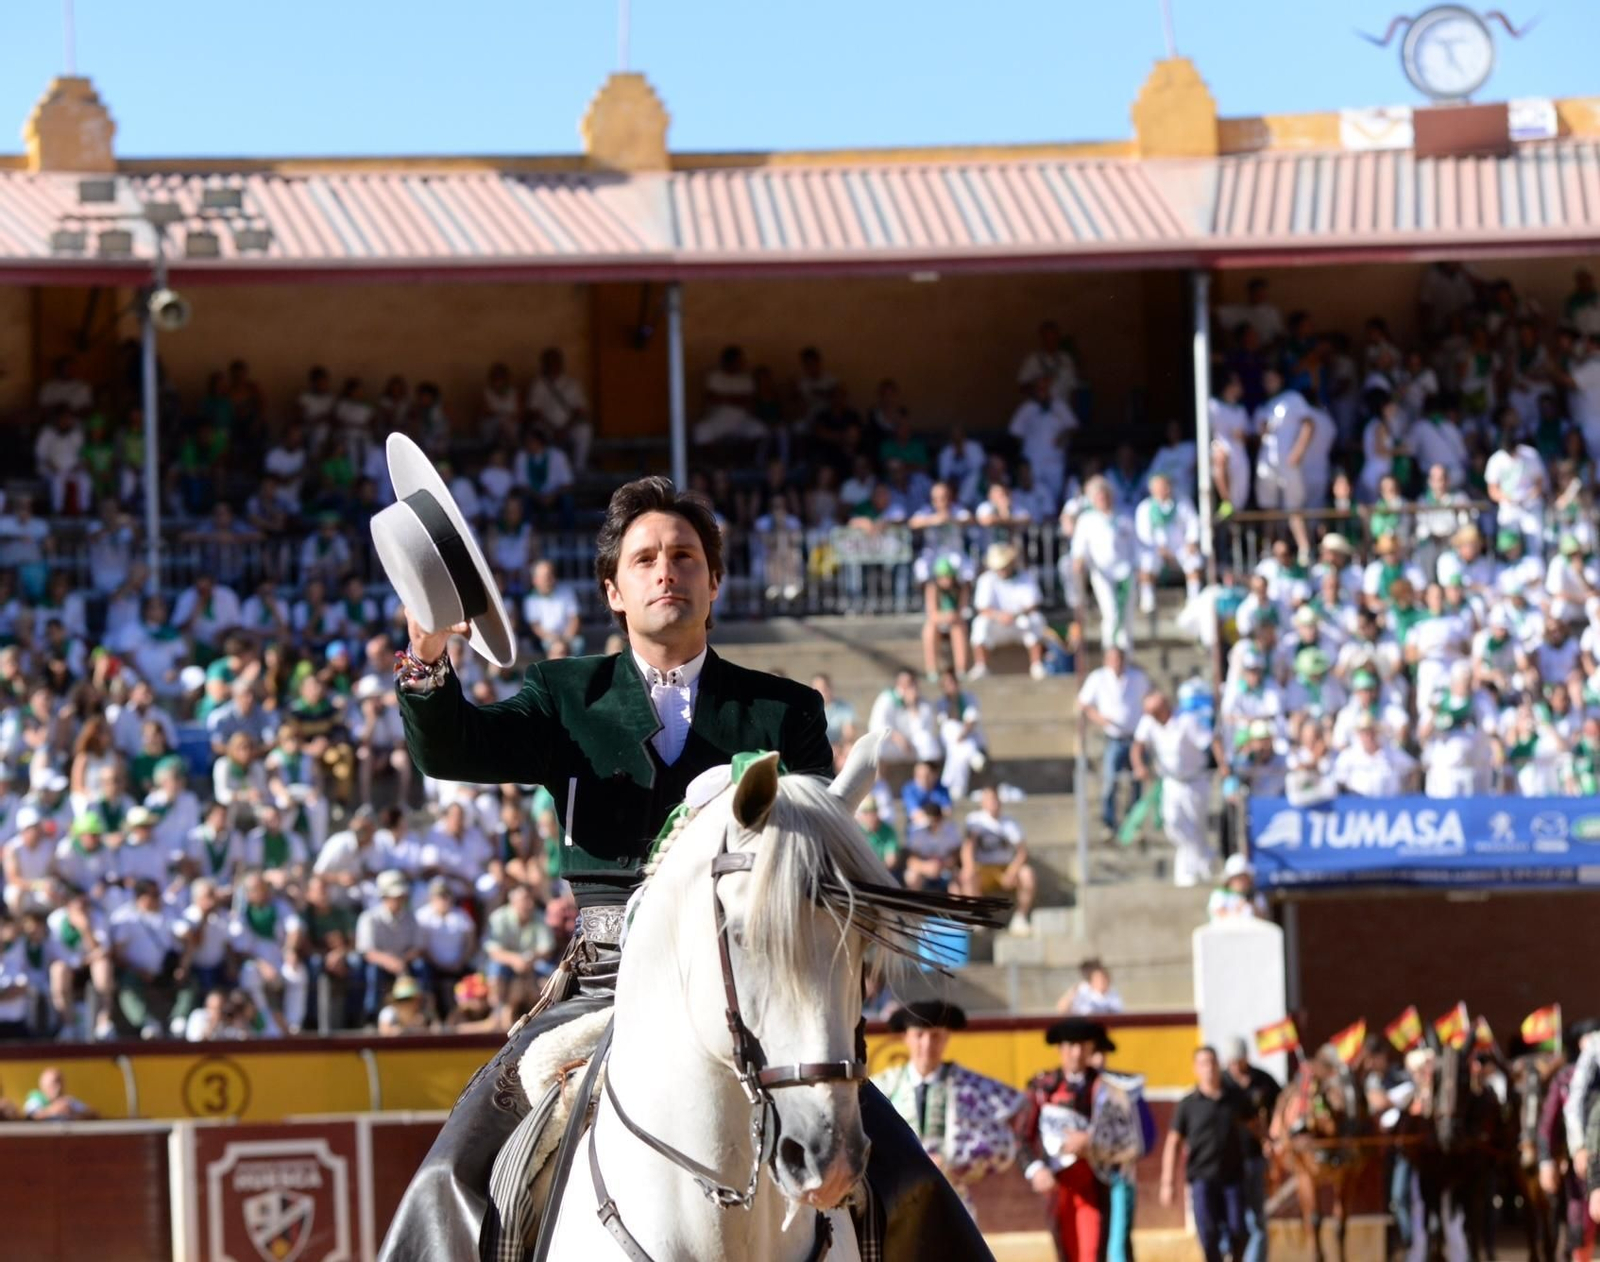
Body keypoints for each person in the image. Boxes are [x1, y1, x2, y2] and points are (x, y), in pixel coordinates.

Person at [382, 475, 986, 1259]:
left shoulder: (786, 710)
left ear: (715, 581)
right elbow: (450, 750)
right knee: (450, 1178)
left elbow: (812, 872)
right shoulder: (564, 693)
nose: (666, 570)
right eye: (644, 559)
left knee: (912, 1189)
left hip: (762, 986)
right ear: (614, 591)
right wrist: (428, 655)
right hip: (607, 983)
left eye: (685, 556)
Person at [870, 1001, 1024, 1222]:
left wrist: (953, 1160)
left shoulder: (972, 1087)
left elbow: (1002, 1144)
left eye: (935, 1036)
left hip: (952, 1201)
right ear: (905, 1037)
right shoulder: (883, 1086)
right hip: (895, 1201)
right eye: (919, 1035)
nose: (927, 1044)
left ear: (946, 1038)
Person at [1018, 1017, 1128, 1262]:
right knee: (1066, 1253)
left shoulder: (1107, 1087)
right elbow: (1022, 1138)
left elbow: (1129, 1137)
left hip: (1094, 1184)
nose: (1076, 1053)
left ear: (1091, 1048)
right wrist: (1035, 1169)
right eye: (1070, 1045)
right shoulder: (1042, 1087)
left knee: (1092, 1254)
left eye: (1082, 1045)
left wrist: (1093, 1141)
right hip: (1056, 1185)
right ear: (1060, 1048)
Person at [1162, 1045, 1249, 1262]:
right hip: (1202, 1178)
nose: (1209, 1068)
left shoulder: (1235, 1098)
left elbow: (1254, 1125)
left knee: (1239, 1230)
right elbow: (1173, 1142)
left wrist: (1268, 1143)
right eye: (1203, 1063)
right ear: (1196, 1069)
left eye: (1212, 1062)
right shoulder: (1188, 1104)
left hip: (1232, 1177)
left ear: (1218, 1066)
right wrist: (1167, 1182)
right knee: (1208, 1234)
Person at [1131, 691, 1219, 887]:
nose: (1153, 716)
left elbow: (1211, 741)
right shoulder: (1148, 723)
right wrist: (1139, 766)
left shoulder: (1187, 720)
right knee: (1173, 824)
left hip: (1195, 781)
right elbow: (1137, 746)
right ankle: (1200, 861)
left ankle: (1196, 868)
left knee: (1197, 827)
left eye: (1155, 711)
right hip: (1171, 782)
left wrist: (1223, 766)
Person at [1077, 646, 1150, 840]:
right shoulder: (1098, 678)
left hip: (1136, 739)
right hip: (1113, 738)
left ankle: (1134, 824)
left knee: (1137, 783)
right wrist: (1100, 719)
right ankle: (1109, 823)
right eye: (1113, 659)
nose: (1117, 663)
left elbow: (1148, 699)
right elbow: (1083, 703)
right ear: (1106, 661)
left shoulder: (1137, 677)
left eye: (1119, 659)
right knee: (1110, 782)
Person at [960, 785, 1035, 936]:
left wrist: (1012, 872)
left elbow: (1022, 852)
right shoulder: (975, 820)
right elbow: (968, 847)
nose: (992, 802)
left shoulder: (1011, 823)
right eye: (988, 799)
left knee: (1027, 874)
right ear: (982, 802)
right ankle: (977, 916)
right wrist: (969, 867)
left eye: (994, 799)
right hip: (983, 868)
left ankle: (1020, 917)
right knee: (967, 875)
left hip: (1005, 868)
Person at [968, 542, 1048, 680]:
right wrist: (999, 616)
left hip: (1020, 623)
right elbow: (982, 608)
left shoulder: (1026, 577)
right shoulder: (986, 579)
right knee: (980, 623)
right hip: (996, 624)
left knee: (1036, 619)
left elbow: (1033, 605)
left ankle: (1037, 665)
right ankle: (981, 666)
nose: (1002, 570)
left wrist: (1014, 615)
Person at [22, 1066, 98, 1119]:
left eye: (60, 1082)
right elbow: (30, 1118)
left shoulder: (68, 1101)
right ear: (43, 1085)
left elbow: (93, 1114)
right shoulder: (36, 1100)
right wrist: (53, 1111)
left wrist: (74, 1113)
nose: (58, 1087)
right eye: (54, 1083)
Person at [1056, 958, 1124, 1016]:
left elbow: (1117, 1013)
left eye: (1104, 979)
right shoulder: (1082, 990)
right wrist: (1071, 994)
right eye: (1098, 979)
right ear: (1091, 981)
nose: (1101, 982)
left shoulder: (1112, 992)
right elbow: (1061, 1010)